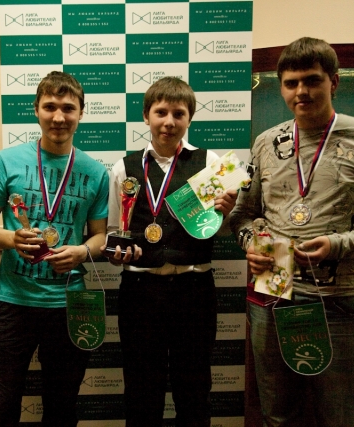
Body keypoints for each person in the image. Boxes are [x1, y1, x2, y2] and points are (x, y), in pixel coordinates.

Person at [229, 37, 354, 427]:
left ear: (334, 82)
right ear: (281, 87)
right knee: (278, 417)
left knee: (343, 418)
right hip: (273, 295)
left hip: (340, 302)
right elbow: (241, 217)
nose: (301, 92)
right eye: (291, 83)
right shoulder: (265, 143)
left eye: (312, 80)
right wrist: (251, 245)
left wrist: (336, 246)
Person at [0, 71, 109, 427]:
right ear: (36, 109)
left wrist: (81, 252)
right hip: (13, 303)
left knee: (62, 410)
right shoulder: (7, 161)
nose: (59, 117)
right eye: (50, 107)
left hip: (69, 305)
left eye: (68, 108)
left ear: (81, 113)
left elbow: (100, 236)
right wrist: (11, 239)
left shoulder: (96, 172)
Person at [102, 76, 237, 427]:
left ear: (190, 117)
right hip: (140, 291)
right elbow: (115, 230)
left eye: (179, 113)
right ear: (146, 116)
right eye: (161, 112)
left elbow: (219, 229)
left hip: (194, 290)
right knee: (140, 389)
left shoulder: (211, 164)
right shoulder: (124, 167)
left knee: (194, 388)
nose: (169, 122)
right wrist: (116, 254)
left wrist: (226, 212)